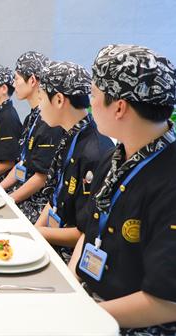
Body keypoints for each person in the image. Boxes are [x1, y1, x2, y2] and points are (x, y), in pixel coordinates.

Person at [69, 45, 176, 335]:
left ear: (119, 107)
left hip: (149, 326)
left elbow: (173, 304)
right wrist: (70, 290)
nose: (90, 104)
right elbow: (88, 233)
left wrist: (79, 316)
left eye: (93, 95)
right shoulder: (115, 158)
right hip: (95, 302)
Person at [34, 61, 113, 261]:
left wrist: (34, 233)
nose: (39, 106)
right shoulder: (70, 135)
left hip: (71, 254)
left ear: (59, 99)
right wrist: (34, 231)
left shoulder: (95, 152)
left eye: (41, 98)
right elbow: (55, 197)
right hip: (53, 236)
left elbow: (85, 232)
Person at [0, 51, 63, 223]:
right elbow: (22, 163)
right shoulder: (32, 118)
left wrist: (9, 199)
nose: (14, 84)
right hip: (24, 195)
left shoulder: (49, 122)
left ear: (33, 80)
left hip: (37, 205)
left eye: (17, 79)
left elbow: (41, 177)